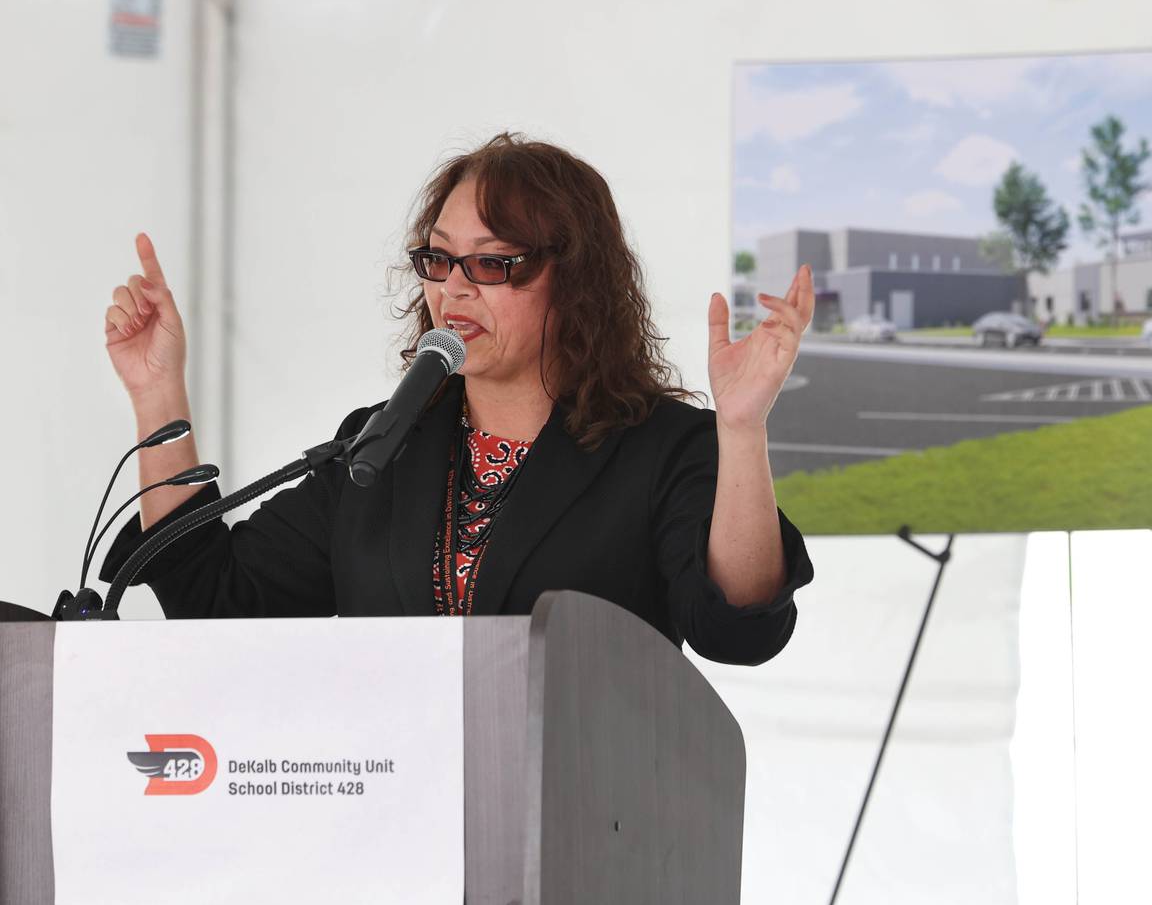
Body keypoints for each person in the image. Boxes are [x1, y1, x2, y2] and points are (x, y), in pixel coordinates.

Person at [97, 133, 814, 665]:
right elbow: (216, 601)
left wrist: (743, 428)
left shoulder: (663, 449)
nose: (455, 288)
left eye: (493, 263)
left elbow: (738, 628)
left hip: (583, 832)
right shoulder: (381, 447)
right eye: (438, 258)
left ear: (578, 284)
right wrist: (159, 395)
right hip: (390, 834)